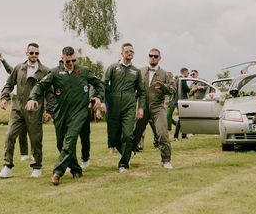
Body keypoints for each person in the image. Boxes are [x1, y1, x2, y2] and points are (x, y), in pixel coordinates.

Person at [28, 46, 105, 185]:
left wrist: (98, 98)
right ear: (62, 58)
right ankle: (76, 169)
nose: (71, 63)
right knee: (61, 144)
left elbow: (99, 84)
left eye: (73, 60)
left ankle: (58, 172)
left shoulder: (84, 71)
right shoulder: (55, 73)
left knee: (70, 139)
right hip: (61, 113)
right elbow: (40, 86)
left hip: (80, 112)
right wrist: (33, 97)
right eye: (68, 61)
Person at [0, 43, 52, 179]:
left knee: (35, 139)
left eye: (36, 53)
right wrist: (4, 98)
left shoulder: (45, 71)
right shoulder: (18, 68)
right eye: (31, 53)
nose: (34, 55)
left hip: (35, 109)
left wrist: (49, 110)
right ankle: (7, 167)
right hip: (17, 108)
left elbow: (49, 93)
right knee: (9, 135)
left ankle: (37, 166)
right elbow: (9, 84)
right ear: (26, 53)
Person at [103, 43, 147, 173]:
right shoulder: (113, 68)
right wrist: (103, 101)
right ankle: (127, 153)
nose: (129, 53)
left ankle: (123, 165)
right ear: (121, 53)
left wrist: (140, 108)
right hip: (114, 106)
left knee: (127, 135)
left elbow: (142, 92)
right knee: (113, 137)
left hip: (129, 106)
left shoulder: (136, 71)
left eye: (132, 51)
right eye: (127, 51)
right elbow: (104, 85)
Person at [132, 48, 175, 169]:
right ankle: (129, 155)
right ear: (148, 56)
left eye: (156, 56)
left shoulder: (165, 74)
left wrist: (163, 86)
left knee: (162, 133)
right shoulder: (140, 71)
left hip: (158, 107)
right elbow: (134, 89)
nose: (153, 58)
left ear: (159, 58)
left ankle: (166, 160)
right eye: (151, 55)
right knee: (136, 133)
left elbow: (172, 90)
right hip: (143, 107)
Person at [0, 53, 30, 162]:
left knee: (34, 132)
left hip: (33, 105)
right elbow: (10, 70)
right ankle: (24, 153)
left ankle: (34, 153)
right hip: (20, 106)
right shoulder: (18, 72)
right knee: (22, 131)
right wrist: (3, 60)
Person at [167, 67, 188, 135]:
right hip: (179, 100)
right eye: (188, 72)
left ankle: (182, 133)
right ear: (184, 72)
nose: (188, 74)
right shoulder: (181, 79)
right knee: (181, 117)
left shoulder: (178, 79)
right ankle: (180, 132)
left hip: (178, 100)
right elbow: (187, 89)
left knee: (181, 117)